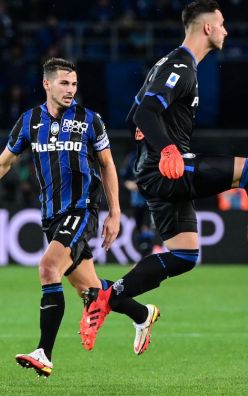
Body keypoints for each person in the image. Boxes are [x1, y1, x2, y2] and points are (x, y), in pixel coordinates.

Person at [81, 0, 248, 348]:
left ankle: (109, 295)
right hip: (168, 168)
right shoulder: (181, 65)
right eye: (222, 23)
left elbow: (135, 115)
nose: (226, 30)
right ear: (207, 27)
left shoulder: (167, 64)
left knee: (184, 256)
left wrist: (154, 142)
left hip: (157, 175)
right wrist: (166, 149)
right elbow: (145, 114)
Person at [0, 58, 158, 378]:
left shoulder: (89, 120)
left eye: (74, 84)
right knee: (90, 290)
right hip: (51, 216)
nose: (71, 89)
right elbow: (5, 162)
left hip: (81, 210)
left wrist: (114, 212)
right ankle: (142, 313)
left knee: (47, 267)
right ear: (47, 84)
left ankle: (44, 352)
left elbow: (107, 165)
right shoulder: (29, 122)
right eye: (64, 83)